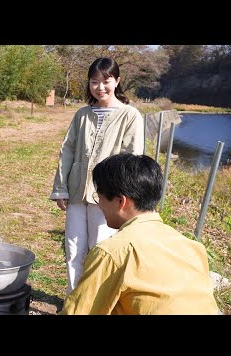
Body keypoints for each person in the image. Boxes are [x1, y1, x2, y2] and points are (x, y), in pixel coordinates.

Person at [60, 153, 219, 314]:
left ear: (121, 202)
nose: (99, 205)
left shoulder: (111, 253)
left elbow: (78, 311)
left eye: (99, 197)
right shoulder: (193, 247)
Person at [50, 57, 144, 295]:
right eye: (94, 82)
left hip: (108, 196)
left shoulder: (129, 115)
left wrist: (123, 195)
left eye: (106, 81)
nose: (100, 87)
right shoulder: (82, 114)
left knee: (101, 249)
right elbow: (67, 150)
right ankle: (74, 300)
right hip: (76, 192)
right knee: (73, 248)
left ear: (117, 81)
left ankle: (97, 303)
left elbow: (132, 157)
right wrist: (61, 187)